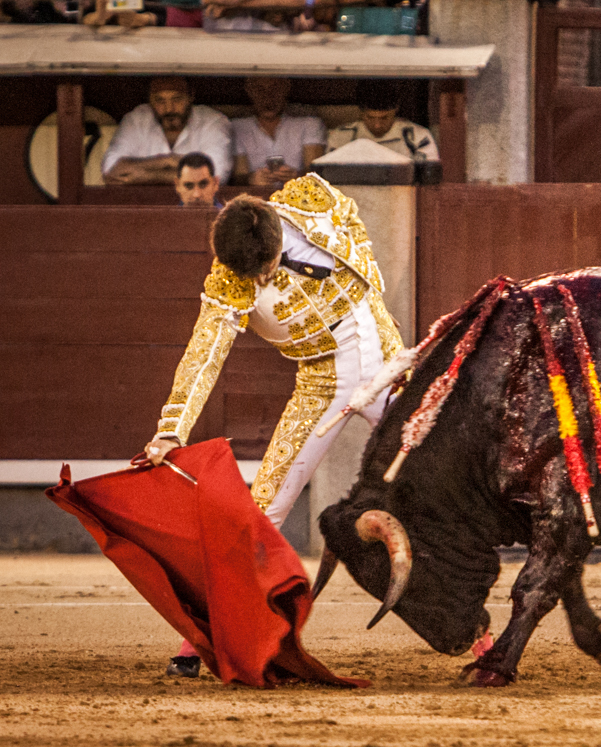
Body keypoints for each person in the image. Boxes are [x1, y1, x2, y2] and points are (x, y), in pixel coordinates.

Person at [143, 174, 404, 677]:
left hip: (384, 360)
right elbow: (205, 354)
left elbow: (355, 229)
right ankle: (196, 639)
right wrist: (173, 428)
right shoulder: (229, 276)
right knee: (262, 509)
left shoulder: (312, 197)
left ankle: (482, 635)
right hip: (319, 378)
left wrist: (369, 308)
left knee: (440, 480)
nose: (258, 282)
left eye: (260, 269)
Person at [102, 77, 232, 186]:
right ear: (150, 100)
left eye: (177, 99)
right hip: (142, 206)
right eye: (160, 100)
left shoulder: (212, 121)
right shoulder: (137, 119)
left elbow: (216, 176)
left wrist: (148, 176)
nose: (169, 108)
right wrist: (166, 161)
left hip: (195, 207)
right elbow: (111, 171)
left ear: (191, 96)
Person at [232, 76, 326, 186]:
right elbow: (239, 176)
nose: (268, 97)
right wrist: (251, 179)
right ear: (249, 91)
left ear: (286, 88)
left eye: (275, 89)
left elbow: (315, 173)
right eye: (260, 90)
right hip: (256, 198)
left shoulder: (309, 123)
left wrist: (296, 177)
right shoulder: (239, 127)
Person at [326, 80, 439, 161]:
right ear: (360, 113)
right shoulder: (340, 137)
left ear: (396, 111)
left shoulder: (417, 137)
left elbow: (427, 181)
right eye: (370, 117)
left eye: (384, 118)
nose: (377, 125)